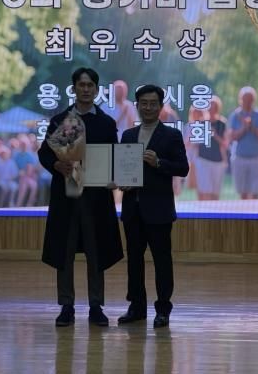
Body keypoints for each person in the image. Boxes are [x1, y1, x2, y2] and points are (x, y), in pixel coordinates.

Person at [38, 68, 123, 327]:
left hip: (96, 199)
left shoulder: (106, 123)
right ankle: (66, 306)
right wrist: (56, 165)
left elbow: (116, 157)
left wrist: (116, 176)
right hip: (67, 196)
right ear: (74, 88)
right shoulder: (62, 120)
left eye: (90, 85)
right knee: (64, 252)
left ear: (96, 90)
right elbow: (44, 153)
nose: (86, 89)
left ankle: (96, 306)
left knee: (96, 252)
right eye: (81, 85)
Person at [118, 84, 189, 328]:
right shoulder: (128, 135)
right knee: (134, 260)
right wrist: (119, 181)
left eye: (153, 103)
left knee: (162, 261)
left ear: (160, 107)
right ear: (137, 105)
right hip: (132, 209)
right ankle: (136, 307)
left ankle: (163, 309)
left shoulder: (171, 135)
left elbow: (183, 168)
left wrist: (159, 163)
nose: (148, 107)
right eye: (144, 103)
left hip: (159, 210)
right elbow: (122, 169)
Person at [228, 86, 258, 200]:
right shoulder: (235, 116)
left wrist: (252, 127)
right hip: (240, 158)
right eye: (245, 100)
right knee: (243, 192)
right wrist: (244, 128)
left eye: (250, 100)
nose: (248, 102)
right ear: (240, 100)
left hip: (256, 158)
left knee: (256, 192)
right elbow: (232, 137)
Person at [194, 96, 228, 201]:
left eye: (214, 108)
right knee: (205, 191)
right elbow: (195, 143)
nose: (212, 110)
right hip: (203, 161)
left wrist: (215, 135)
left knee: (215, 193)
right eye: (210, 108)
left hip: (218, 162)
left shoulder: (222, 123)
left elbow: (225, 143)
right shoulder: (200, 123)